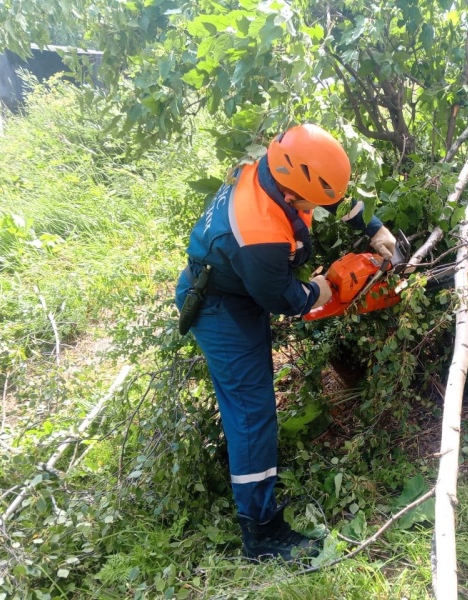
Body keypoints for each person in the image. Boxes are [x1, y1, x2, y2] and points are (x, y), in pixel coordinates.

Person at [174, 124, 396, 561]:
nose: (324, 205)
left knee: (248, 409)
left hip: (235, 284)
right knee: (253, 413)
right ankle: (261, 531)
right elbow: (284, 299)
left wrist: (374, 228)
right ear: (293, 194)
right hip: (220, 305)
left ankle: (247, 475)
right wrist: (320, 290)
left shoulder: (280, 166)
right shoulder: (259, 231)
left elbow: (329, 190)